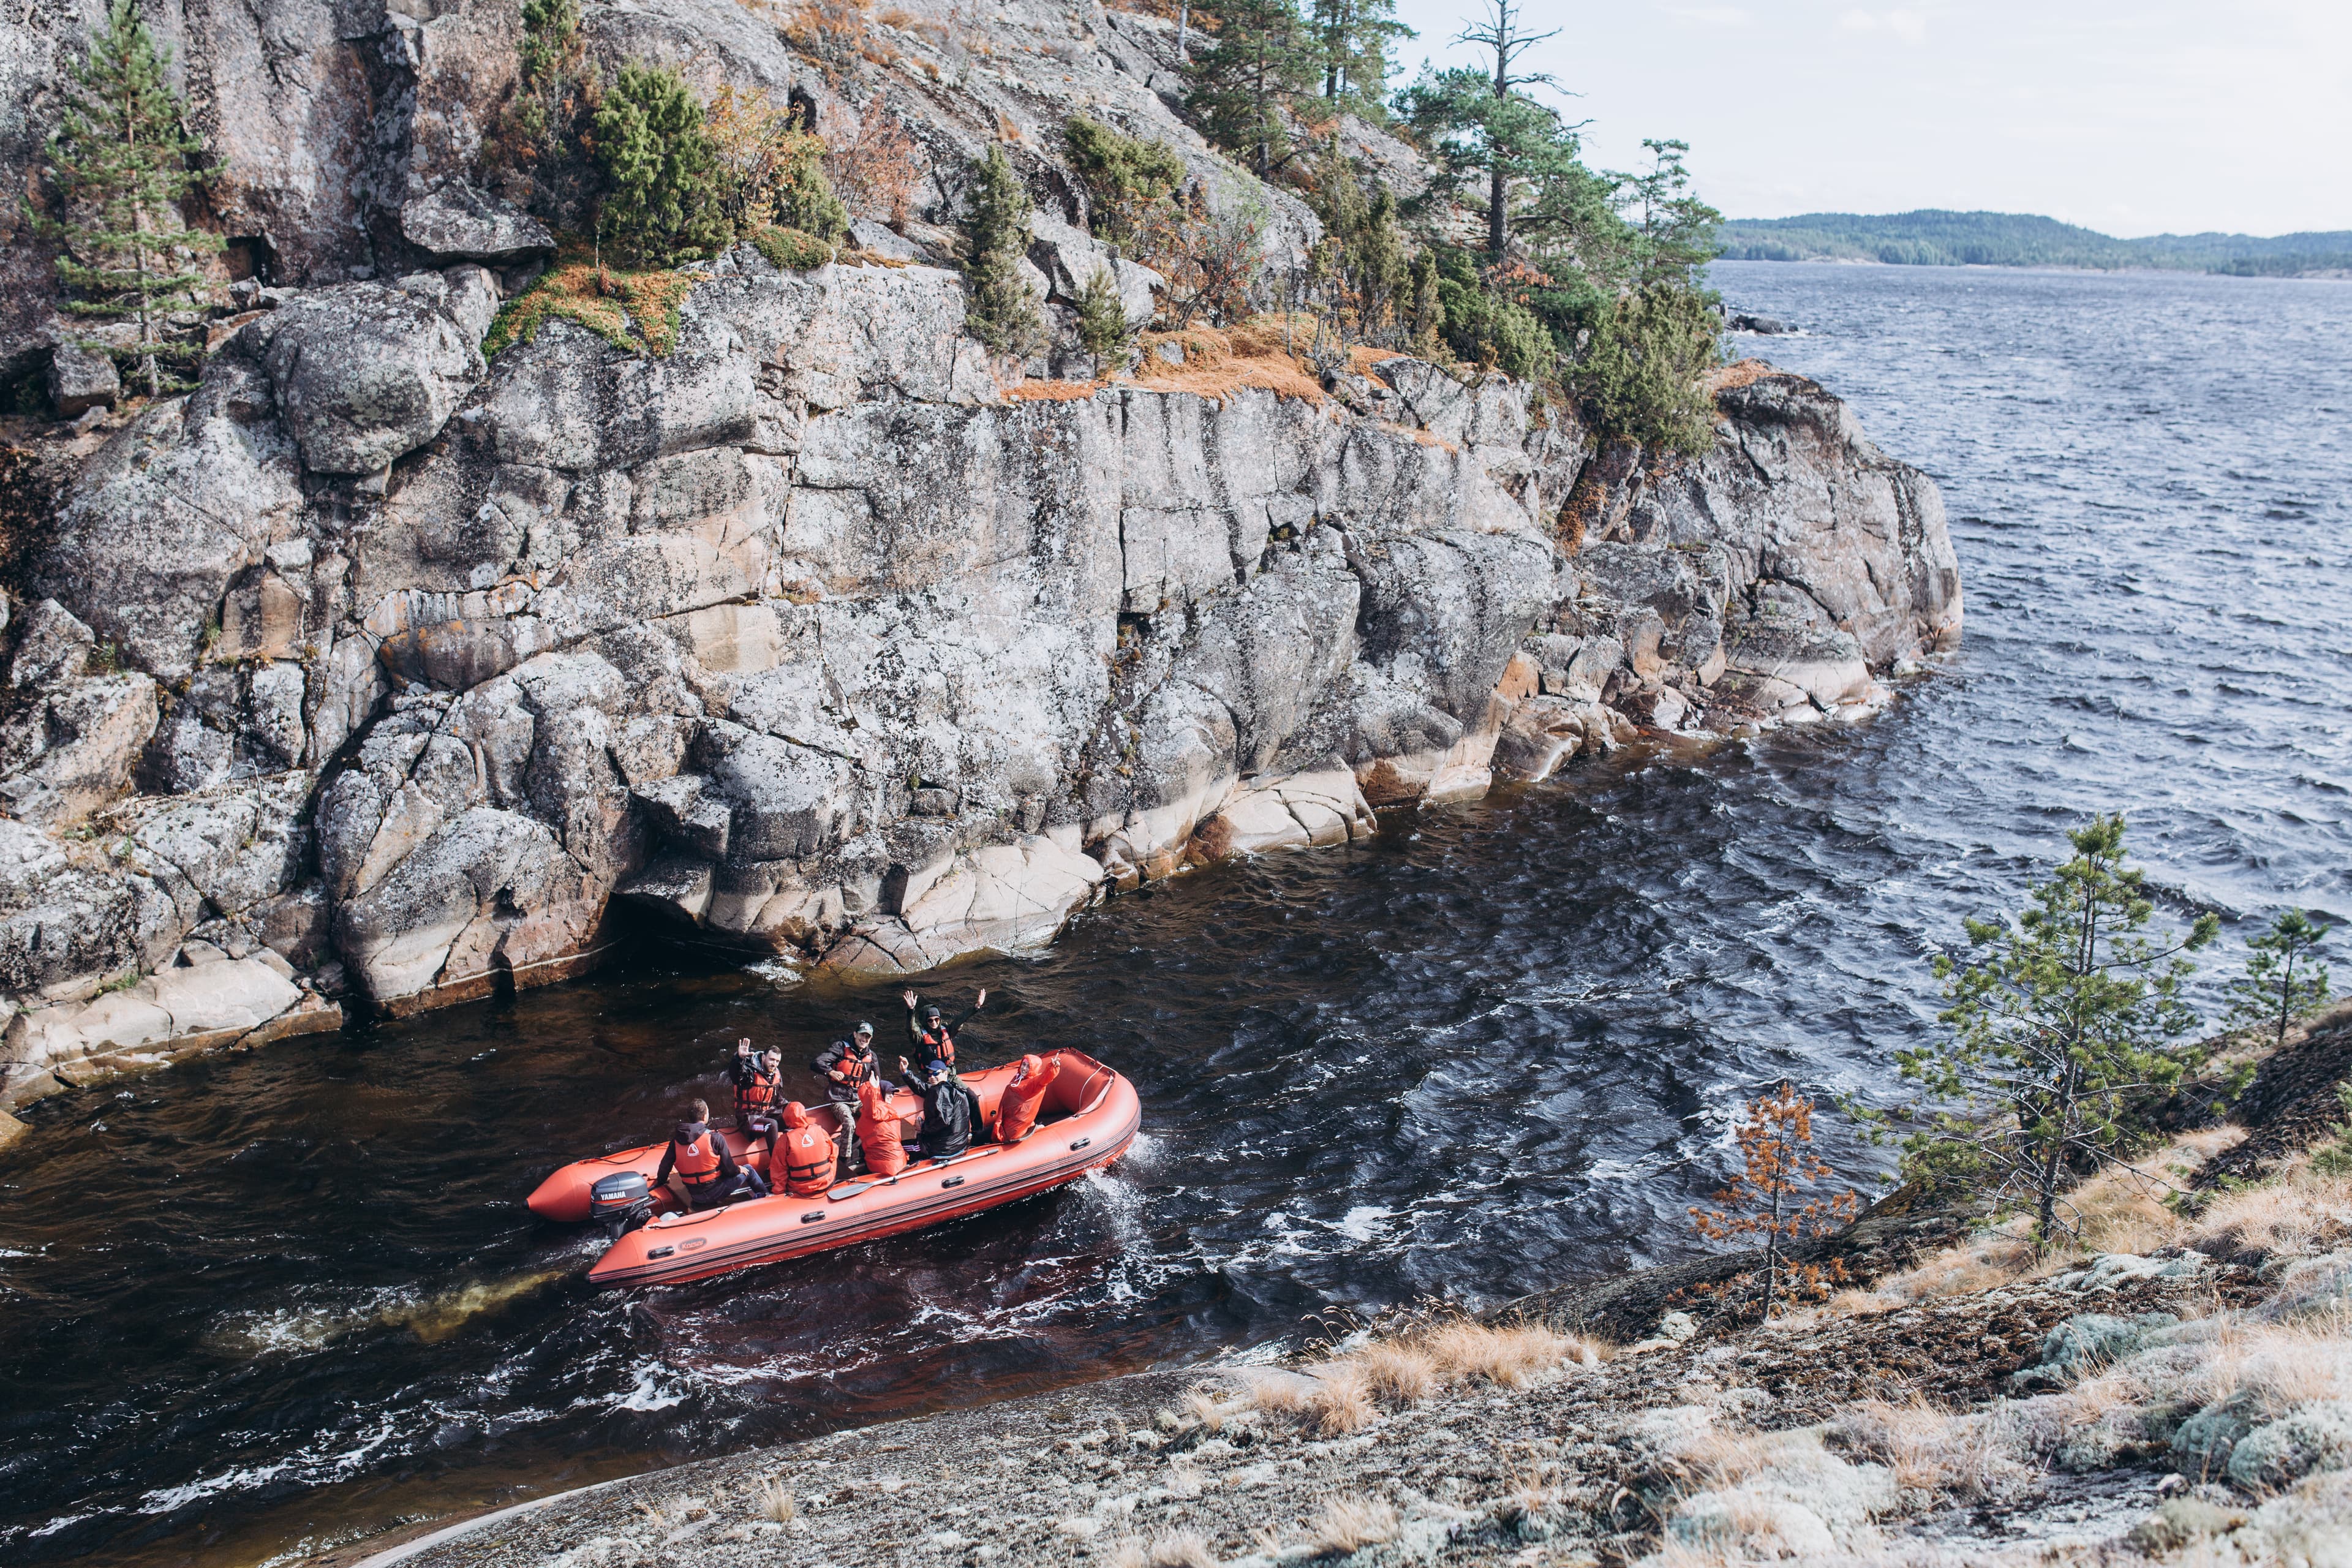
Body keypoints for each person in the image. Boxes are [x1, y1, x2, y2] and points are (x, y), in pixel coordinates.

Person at [655, 1099, 768, 1210]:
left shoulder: (675, 1143)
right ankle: (766, 1197)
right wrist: (738, 1169)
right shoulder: (715, 1138)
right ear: (705, 1117)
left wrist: (662, 1181)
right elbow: (729, 1170)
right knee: (749, 1170)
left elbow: (664, 1168)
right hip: (714, 1192)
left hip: (695, 1195)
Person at [810, 1022, 891, 1175]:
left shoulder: (871, 1056)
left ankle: (874, 1154)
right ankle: (843, 1163)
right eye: (862, 1035)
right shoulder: (840, 1048)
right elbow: (816, 1063)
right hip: (839, 1098)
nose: (864, 1039)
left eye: (868, 1037)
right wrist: (830, 1072)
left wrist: (886, 1092)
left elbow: (878, 1080)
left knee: (876, 1119)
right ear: (855, 1034)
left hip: (859, 1099)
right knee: (849, 1123)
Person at [899, 1055, 985, 1163]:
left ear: (945, 1073)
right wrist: (906, 1072)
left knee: (901, 1147)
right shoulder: (952, 1088)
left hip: (944, 1149)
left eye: (936, 1073)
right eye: (929, 1074)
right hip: (959, 1144)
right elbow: (923, 1088)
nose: (932, 1077)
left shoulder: (940, 1091)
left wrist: (923, 1128)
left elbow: (943, 1120)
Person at [726, 1039, 785, 1161]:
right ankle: (777, 1165)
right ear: (763, 1057)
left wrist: (792, 1108)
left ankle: (797, 1153)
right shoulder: (749, 1072)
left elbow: (779, 1100)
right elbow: (735, 1075)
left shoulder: (776, 1074)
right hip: (749, 1121)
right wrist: (738, 1058)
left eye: (777, 1061)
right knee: (772, 1125)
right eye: (772, 1060)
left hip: (766, 1114)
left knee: (791, 1114)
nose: (774, 1064)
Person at [902, 987, 986, 1066]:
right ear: (925, 1022)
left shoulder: (947, 1031)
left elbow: (961, 1019)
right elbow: (911, 1028)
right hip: (931, 1074)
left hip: (948, 1071)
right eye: (930, 1020)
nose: (934, 1022)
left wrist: (976, 1007)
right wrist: (911, 1010)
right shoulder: (919, 1037)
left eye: (937, 1019)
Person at [774, 1101, 839, 1196]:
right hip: (825, 1182)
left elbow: (779, 1170)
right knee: (834, 1151)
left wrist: (779, 1193)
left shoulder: (784, 1140)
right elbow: (834, 1154)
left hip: (800, 1188)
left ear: (786, 1117)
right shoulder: (820, 1131)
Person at [994, 1052, 1060, 1143]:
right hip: (1008, 1116)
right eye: (1024, 1064)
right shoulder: (1019, 1077)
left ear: (1034, 1069)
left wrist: (1053, 1068)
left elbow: (1044, 1079)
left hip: (1015, 1124)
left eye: (1028, 1066)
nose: (1024, 1068)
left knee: (1001, 1138)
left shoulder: (1033, 1083)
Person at [855, 1077, 912, 1177]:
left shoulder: (865, 1114)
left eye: (893, 1093)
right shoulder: (879, 1108)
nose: (892, 1096)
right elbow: (872, 1111)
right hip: (893, 1163)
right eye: (889, 1093)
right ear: (880, 1093)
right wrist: (873, 1090)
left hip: (877, 1163)